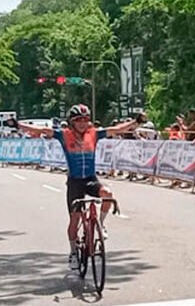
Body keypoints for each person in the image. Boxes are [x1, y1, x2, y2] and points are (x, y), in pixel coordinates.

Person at [18, 104, 139, 270]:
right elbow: (40, 130)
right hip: (75, 182)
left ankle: (101, 224)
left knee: (107, 194)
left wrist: (136, 121)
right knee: (74, 220)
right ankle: (73, 252)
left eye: (85, 119)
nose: (82, 123)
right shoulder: (63, 135)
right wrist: (17, 125)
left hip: (90, 179)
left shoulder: (94, 134)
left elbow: (116, 129)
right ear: (71, 122)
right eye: (78, 120)